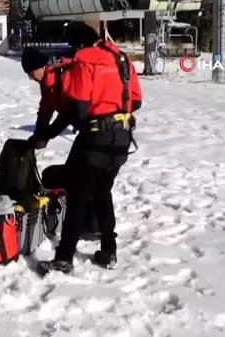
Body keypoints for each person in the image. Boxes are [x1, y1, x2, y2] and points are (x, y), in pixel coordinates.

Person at [34, 21, 142, 275]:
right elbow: (136, 100)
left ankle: (64, 257)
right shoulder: (121, 58)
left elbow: (79, 107)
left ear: (77, 43)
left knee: (78, 194)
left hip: (96, 137)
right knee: (103, 192)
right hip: (123, 138)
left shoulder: (85, 59)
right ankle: (108, 250)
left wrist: (50, 132)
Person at [20, 46, 101, 240]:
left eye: (31, 73)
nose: (31, 77)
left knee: (84, 175)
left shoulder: (64, 75)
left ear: (40, 67)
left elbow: (71, 112)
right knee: (79, 174)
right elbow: (46, 108)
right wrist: (39, 135)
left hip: (97, 127)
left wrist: (48, 135)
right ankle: (90, 223)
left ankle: (93, 226)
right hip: (87, 129)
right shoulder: (48, 80)